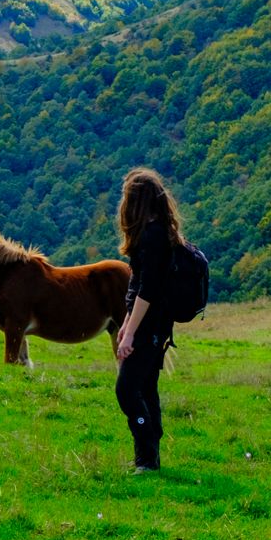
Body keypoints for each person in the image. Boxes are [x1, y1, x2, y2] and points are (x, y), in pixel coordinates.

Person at [114, 167, 183, 472]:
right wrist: (126, 325)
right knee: (145, 387)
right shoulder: (150, 234)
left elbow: (148, 291)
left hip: (151, 325)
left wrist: (131, 332)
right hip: (146, 323)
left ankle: (147, 444)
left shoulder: (154, 238)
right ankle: (148, 456)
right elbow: (135, 285)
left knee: (127, 390)